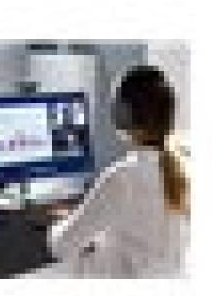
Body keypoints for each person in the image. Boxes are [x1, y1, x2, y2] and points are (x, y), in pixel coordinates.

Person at [37, 65, 190, 278]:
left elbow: (61, 245)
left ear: (122, 116)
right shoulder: (184, 170)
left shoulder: (121, 179)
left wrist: (64, 222)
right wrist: (89, 218)